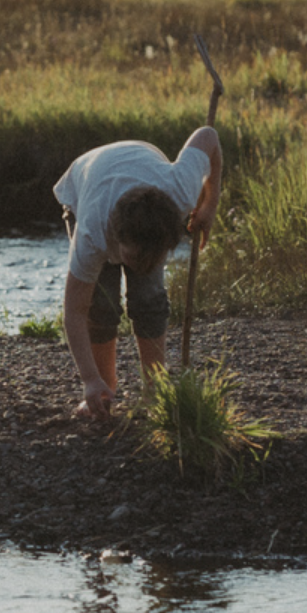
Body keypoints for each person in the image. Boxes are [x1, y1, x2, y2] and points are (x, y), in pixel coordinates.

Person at [55, 126, 222, 420]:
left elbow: (208, 136)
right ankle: (103, 391)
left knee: (149, 300)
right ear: (116, 239)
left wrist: (210, 203)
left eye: (152, 258)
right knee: (101, 306)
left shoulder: (180, 192)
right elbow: (75, 312)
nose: (139, 267)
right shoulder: (93, 234)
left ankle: (154, 391)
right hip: (88, 178)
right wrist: (89, 379)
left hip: (144, 165)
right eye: (132, 258)